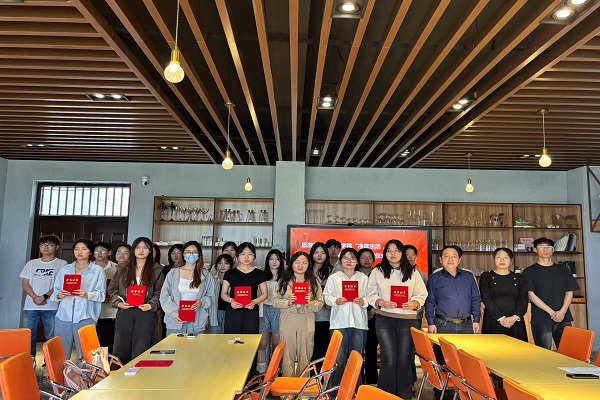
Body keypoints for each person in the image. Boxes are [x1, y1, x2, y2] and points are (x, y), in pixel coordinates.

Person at [367, 239, 427, 399]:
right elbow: (370, 292)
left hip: (407, 320)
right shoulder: (378, 271)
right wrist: (381, 302)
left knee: (404, 358)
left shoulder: (412, 272)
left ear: (402, 253)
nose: (392, 254)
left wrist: (415, 303)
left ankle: (404, 394)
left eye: (396, 251)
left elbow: (422, 293)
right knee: (388, 358)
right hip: (384, 319)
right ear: (385, 253)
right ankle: (386, 395)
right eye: (389, 250)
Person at [109, 237, 164, 363]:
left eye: (145, 247)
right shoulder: (123, 268)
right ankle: (119, 373)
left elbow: (160, 291)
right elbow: (112, 289)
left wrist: (151, 305)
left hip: (146, 312)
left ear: (150, 251)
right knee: (121, 348)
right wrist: (118, 303)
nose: (141, 250)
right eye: (138, 247)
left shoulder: (157, 270)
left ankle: (141, 374)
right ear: (133, 250)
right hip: (125, 311)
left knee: (142, 347)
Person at [51, 238, 106, 363]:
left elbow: (101, 295)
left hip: (85, 316)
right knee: (61, 352)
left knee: (85, 354)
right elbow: (54, 293)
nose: (79, 252)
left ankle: (83, 375)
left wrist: (87, 294)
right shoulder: (65, 269)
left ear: (90, 252)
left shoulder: (97, 271)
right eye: (76, 249)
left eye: (83, 249)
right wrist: (59, 294)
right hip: (63, 316)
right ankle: (62, 374)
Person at [323, 247, 369, 390]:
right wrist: (335, 300)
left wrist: (364, 301)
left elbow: (371, 297)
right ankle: (337, 391)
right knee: (339, 359)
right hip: (339, 323)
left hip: (359, 324)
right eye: (345, 258)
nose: (349, 261)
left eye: (352, 258)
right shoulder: (334, 278)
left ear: (357, 261)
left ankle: (356, 390)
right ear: (340, 260)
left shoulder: (363, 278)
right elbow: (326, 296)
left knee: (357, 358)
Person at [272, 251, 323, 377]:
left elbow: (320, 303)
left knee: (305, 352)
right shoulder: (283, 281)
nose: (300, 266)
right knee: (287, 353)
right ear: (292, 264)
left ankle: (303, 386)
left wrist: (310, 303)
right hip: (288, 319)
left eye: (304, 263)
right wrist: (288, 302)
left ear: (308, 265)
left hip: (306, 319)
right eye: (297, 262)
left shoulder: (313, 282)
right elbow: (275, 301)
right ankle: (288, 386)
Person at [523, 237, 580, 349]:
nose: (545, 249)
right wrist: (552, 312)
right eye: (541, 247)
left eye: (549, 247)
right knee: (544, 353)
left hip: (563, 317)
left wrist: (562, 311)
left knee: (567, 351)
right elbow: (531, 294)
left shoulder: (563, 270)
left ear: (553, 250)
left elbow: (569, 292)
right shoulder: (529, 271)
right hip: (541, 318)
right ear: (535, 250)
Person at [20, 235, 67, 357]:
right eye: (43, 245)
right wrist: (35, 297)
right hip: (31, 306)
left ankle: (49, 363)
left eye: (50, 245)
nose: (46, 247)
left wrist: (44, 296)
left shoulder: (62, 264)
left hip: (51, 306)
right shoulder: (31, 263)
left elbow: (60, 284)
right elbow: (25, 284)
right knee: (29, 336)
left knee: (51, 337)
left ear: (56, 247)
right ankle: (30, 362)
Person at [160, 241, 215, 336]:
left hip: (197, 320)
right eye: (188, 252)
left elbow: (211, 296)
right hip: (176, 320)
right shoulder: (173, 273)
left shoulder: (205, 274)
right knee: (175, 345)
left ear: (199, 254)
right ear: (183, 254)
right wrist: (174, 314)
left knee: (196, 345)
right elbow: (164, 296)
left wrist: (202, 302)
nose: (191, 254)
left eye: (194, 252)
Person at [425, 245, 481, 334]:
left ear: (459, 260)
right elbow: (430, 302)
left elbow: (475, 299)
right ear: (440, 259)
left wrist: (476, 320)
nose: (450, 260)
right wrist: (431, 323)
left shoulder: (468, 276)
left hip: (467, 325)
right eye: (446, 256)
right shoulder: (434, 278)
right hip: (443, 325)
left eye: (454, 256)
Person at [479, 247, 528, 341]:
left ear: (511, 261)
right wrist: (500, 318)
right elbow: (486, 297)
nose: (502, 260)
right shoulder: (486, 276)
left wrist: (515, 317)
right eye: (498, 257)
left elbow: (523, 299)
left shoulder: (519, 277)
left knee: (517, 348)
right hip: (493, 318)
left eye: (505, 257)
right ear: (494, 259)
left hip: (514, 320)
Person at [221, 242, 268, 334]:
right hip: (233, 310)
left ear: (254, 256)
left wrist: (254, 302)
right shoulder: (230, 273)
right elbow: (223, 293)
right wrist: (231, 301)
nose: (246, 257)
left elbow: (265, 294)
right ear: (238, 256)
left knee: (250, 339)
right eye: (243, 254)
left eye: (250, 254)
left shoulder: (259, 273)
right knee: (232, 339)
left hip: (251, 310)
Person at [257, 249, 285, 374]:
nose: (274, 262)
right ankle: (262, 373)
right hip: (263, 310)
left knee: (276, 343)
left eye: (277, 259)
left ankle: (275, 372)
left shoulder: (285, 277)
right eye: (271, 259)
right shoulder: (261, 275)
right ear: (267, 261)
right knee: (262, 344)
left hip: (279, 311)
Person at [405, 244, 428, 390]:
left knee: (410, 349)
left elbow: (425, 297)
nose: (409, 257)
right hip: (397, 317)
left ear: (416, 256)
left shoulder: (421, 275)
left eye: (412, 254)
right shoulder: (394, 273)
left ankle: (410, 382)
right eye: (406, 254)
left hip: (415, 317)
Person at [309, 242, 333, 366]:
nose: (319, 255)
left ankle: (322, 376)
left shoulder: (332, 272)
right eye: (316, 252)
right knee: (309, 349)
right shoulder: (306, 271)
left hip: (325, 316)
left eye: (322, 253)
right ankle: (311, 376)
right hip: (308, 316)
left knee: (323, 349)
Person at [357, 248, 378, 384]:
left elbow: (382, 294)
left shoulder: (377, 274)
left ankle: (372, 381)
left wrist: (372, 311)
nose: (366, 260)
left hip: (373, 316)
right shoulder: (354, 274)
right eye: (363, 257)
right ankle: (357, 380)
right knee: (357, 351)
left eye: (369, 257)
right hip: (357, 315)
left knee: (371, 350)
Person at [93, 241, 118, 353]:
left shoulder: (116, 268)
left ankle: (106, 362)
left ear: (109, 253)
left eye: (102, 250)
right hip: (91, 311)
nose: (99, 253)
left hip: (110, 312)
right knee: (92, 343)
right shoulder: (88, 267)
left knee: (107, 342)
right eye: (96, 251)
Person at [159, 243, 183, 339]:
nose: (176, 255)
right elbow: (163, 290)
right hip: (166, 304)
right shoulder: (166, 270)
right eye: (173, 253)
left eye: (179, 253)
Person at [208, 254, 234, 334]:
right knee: (214, 337)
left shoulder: (235, 280)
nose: (222, 266)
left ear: (231, 265)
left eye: (226, 263)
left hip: (230, 312)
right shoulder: (212, 280)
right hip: (215, 312)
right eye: (220, 263)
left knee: (228, 337)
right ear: (216, 265)